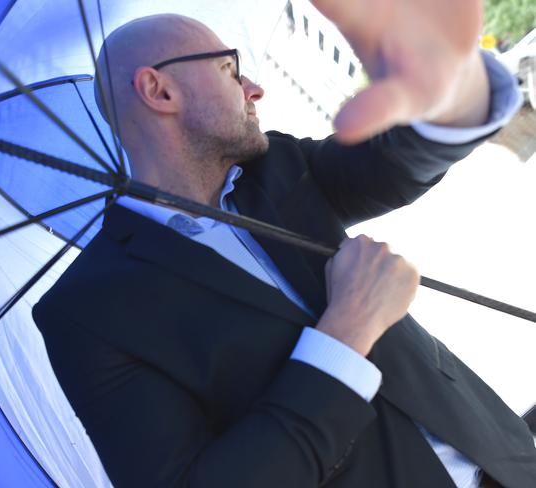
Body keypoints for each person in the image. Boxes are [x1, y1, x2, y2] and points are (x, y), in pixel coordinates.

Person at [33, 1, 536, 487]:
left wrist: (453, 93)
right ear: (158, 91)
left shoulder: (278, 168)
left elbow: (397, 159)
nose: (255, 88)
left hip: (509, 459)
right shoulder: (85, 314)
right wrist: (347, 331)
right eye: (230, 69)